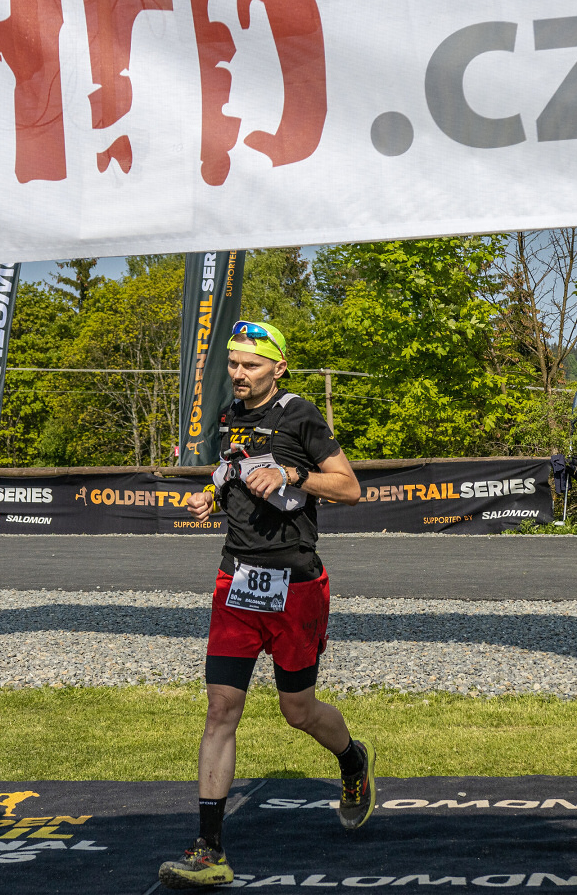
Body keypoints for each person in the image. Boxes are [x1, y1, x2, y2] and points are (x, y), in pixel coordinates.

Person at [158, 321, 374, 890]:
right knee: (220, 708)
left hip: (295, 583)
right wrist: (210, 496)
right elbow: (232, 469)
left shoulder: (299, 414)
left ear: (278, 368)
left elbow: (350, 487)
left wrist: (292, 473)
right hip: (236, 580)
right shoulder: (229, 415)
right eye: (233, 363)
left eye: (250, 365)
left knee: (297, 711)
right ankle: (209, 849)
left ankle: (352, 760)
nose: (238, 373)